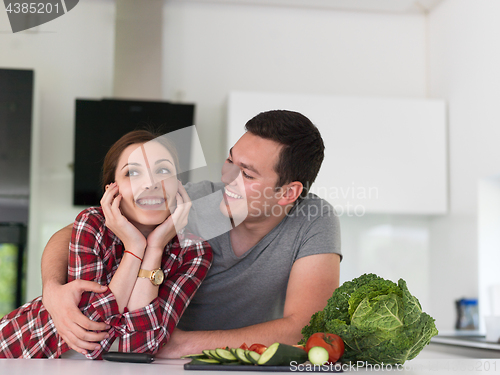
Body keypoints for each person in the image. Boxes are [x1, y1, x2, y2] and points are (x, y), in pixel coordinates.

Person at [40, 110, 342, 358]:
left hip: (234, 362)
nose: (227, 179)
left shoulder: (313, 219)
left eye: (247, 175)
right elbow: (78, 229)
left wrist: (184, 344)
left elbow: (304, 326)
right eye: (229, 161)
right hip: (155, 361)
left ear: (288, 193)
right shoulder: (196, 202)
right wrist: (52, 289)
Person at [0, 130, 213, 358]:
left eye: (163, 170)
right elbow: (89, 330)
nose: (151, 183)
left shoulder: (195, 252)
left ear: (179, 185)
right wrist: (135, 247)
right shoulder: (92, 224)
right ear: (112, 189)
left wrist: (154, 248)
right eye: (132, 173)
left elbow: (144, 343)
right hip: (16, 349)